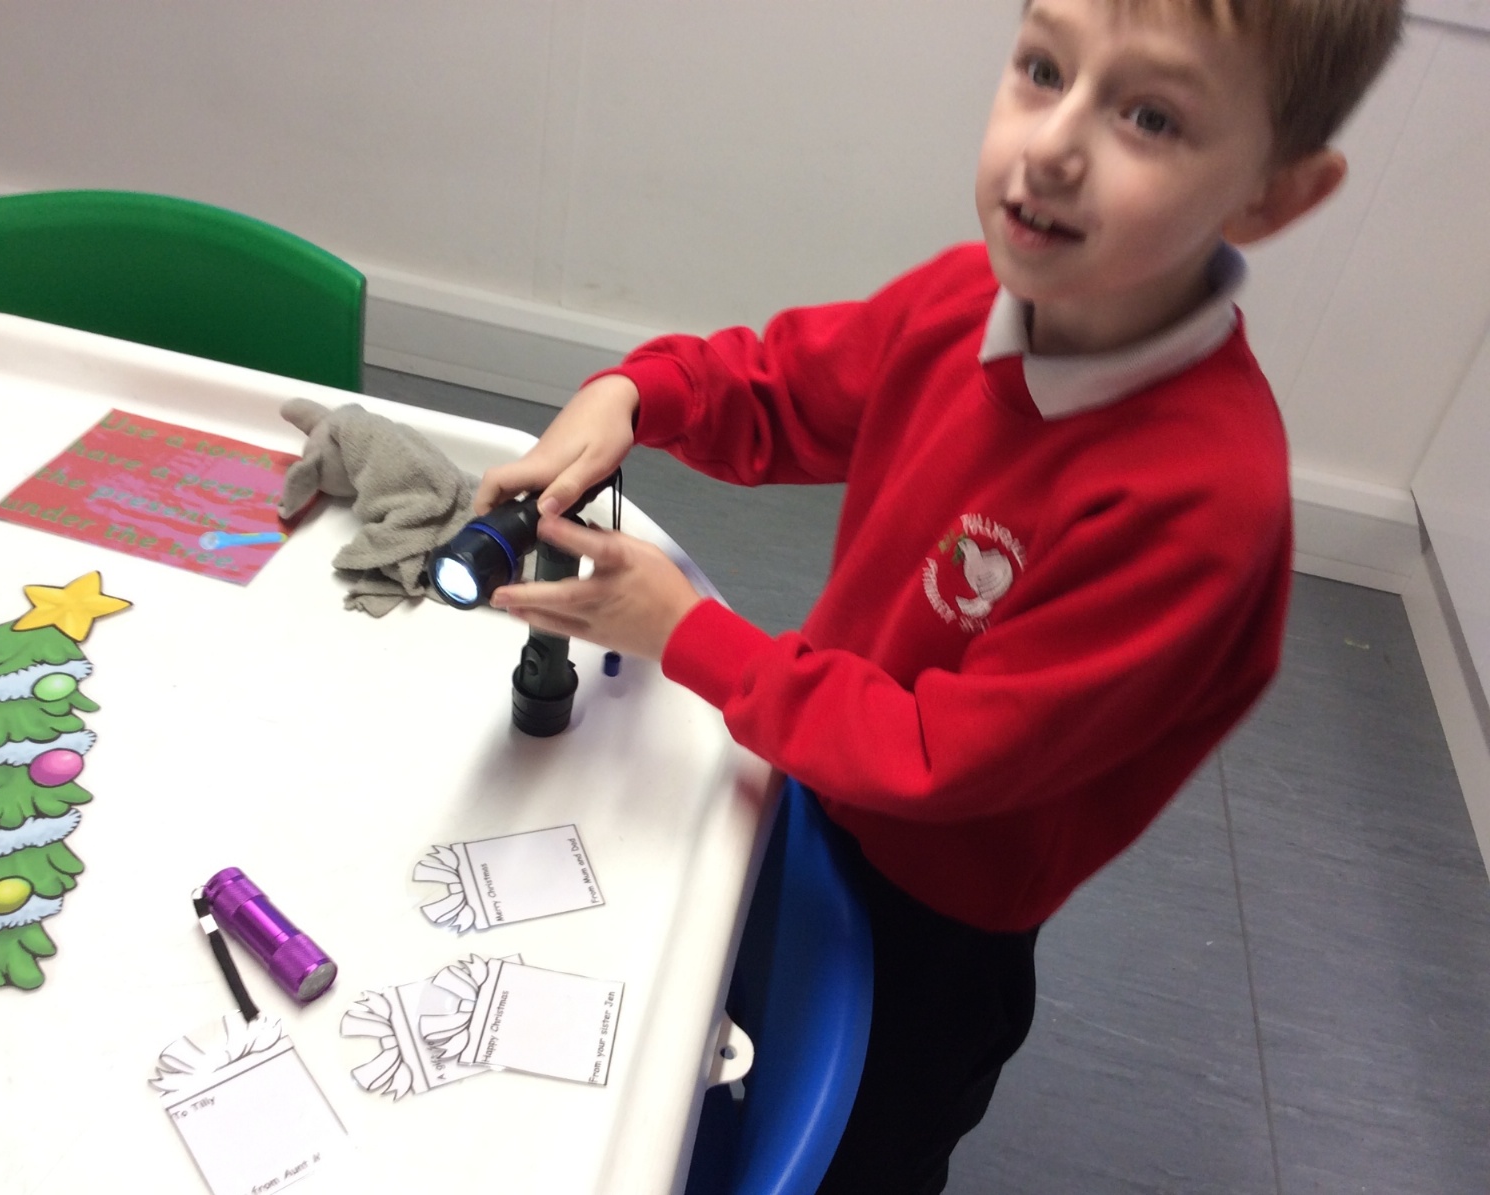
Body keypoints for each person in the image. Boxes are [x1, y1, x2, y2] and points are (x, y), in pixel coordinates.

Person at [475, 1, 1405, 1190]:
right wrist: (641, 394)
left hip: (940, 911)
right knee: (707, 1019)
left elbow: (941, 757)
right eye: (1042, 68)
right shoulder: (965, 299)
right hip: (809, 771)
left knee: (858, 1141)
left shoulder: (1200, 506)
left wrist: (689, 635)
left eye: (1149, 116)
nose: (1050, 145)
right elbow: (782, 389)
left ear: (1273, 195)